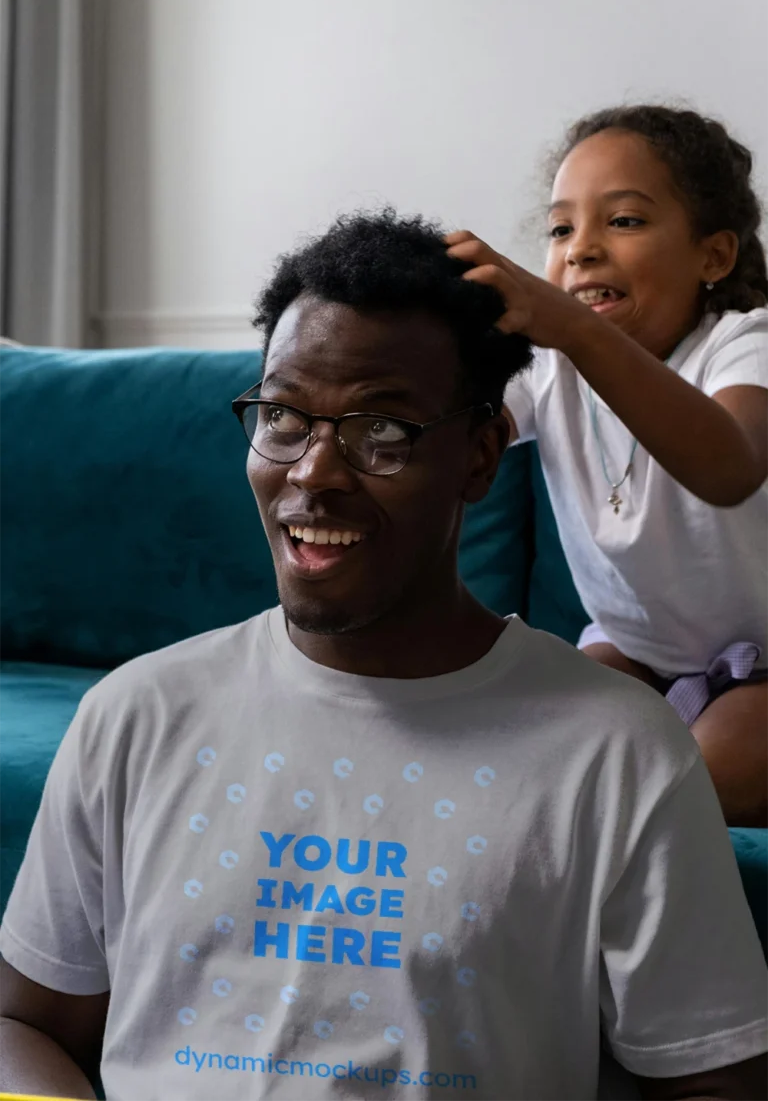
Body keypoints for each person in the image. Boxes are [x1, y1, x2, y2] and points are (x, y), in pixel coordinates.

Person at [1, 210, 768, 1101]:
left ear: (481, 456)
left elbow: (718, 1084)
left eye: (382, 432)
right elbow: (24, 1023)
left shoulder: (617, 753)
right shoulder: (135, 716)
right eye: (284, 416)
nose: (315, 471)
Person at [446, 105, 768, 828]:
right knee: (529, 756)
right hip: (638, 651)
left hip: (766, 669)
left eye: (622, 221)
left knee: (697, 783)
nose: (580, 249)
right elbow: (462, 435)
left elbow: (731, 467)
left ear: (712, 257)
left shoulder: (745, 344)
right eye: (561, 229)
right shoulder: (547, 365)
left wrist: (573, 329)